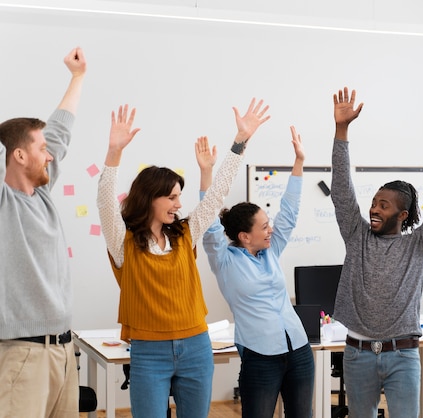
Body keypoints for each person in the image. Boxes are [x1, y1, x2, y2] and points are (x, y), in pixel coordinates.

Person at [96, 99, 270, 418]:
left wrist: (240, 141)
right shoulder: (124, 243)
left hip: (196, 347)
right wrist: (114, 153)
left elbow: (217, 193)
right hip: (149, 351)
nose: (178, 203)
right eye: (172, 197)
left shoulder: (185, 234)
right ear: (150, 198)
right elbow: (106, 203)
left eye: (179, 196)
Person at [330, 86, 423, 418]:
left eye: (383, 205)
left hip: (402, 355)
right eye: (374, 202)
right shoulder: (356, 235)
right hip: (357, 353)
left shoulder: (417, 245)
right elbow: (342, 191)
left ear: (402, 215)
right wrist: (341, 131)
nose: (374, 209)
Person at [202, 126, 315, 418]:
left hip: (299, 349)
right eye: (264, 226)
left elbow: (289, 212)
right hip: (260, 356)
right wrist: (207, 174)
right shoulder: (224, 259)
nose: (271, 229)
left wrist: (299, 162)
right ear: (243, 236)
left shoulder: (271, 250)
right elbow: (209, 221)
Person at [0, 47, 87, 418]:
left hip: (64, 350)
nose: (50, 155)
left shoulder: (44, 198)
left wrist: (77, 78)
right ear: (18, 156)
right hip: (23, 353)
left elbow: (61, 134)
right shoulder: (5, 203)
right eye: (41, 149)